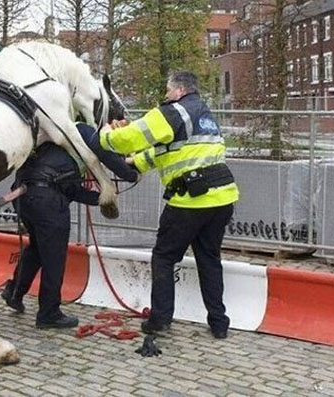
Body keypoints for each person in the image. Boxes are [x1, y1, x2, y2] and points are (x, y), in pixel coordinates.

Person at [99, 71, 239, 339]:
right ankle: (219, 323)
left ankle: (160, 320)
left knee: (164, 257)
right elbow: (172, 151)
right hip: (222, 199)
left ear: (179, 90)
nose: (165, 95)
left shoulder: (174, 111)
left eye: (167, 90)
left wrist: (106, 135)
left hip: (190, 201)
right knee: (209, 260)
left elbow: (129, 138)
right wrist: (136, 163)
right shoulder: (204, 115)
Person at [1, 123, 139, 329]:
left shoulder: (58, 140)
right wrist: (132, 174)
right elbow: (109, 156)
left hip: (24, 196)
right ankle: (48, 313)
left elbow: (71, 189)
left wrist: (101, 199)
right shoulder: (83, 131)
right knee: (54, 258)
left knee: (37, 249)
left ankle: (14, 292)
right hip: (47, 200)